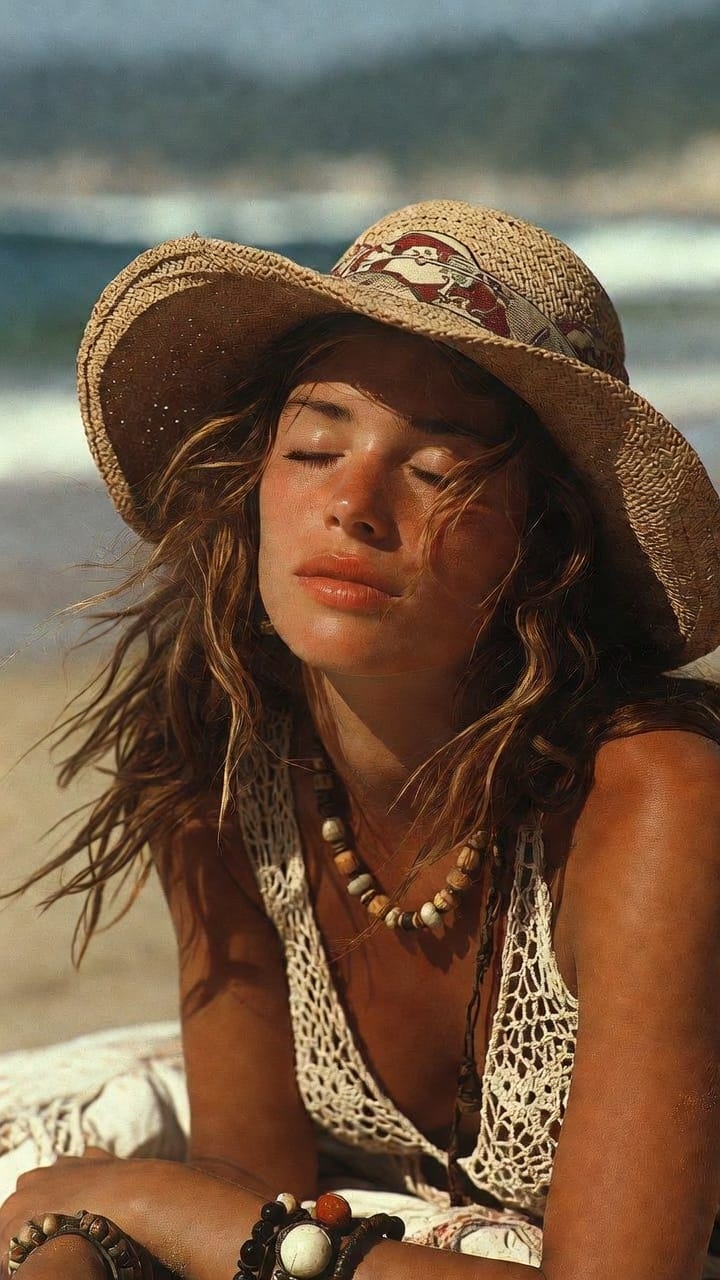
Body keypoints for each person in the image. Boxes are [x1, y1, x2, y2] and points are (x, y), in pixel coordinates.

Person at [1, 199, 720, 1280]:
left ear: (547, 543)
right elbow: (245, 1184)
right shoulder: (221, 757)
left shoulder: (652, 801)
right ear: (252, 485)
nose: (355, 504)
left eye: (436, 470)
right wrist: (90, 1235)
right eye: (314, 446)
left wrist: (150, 1200)